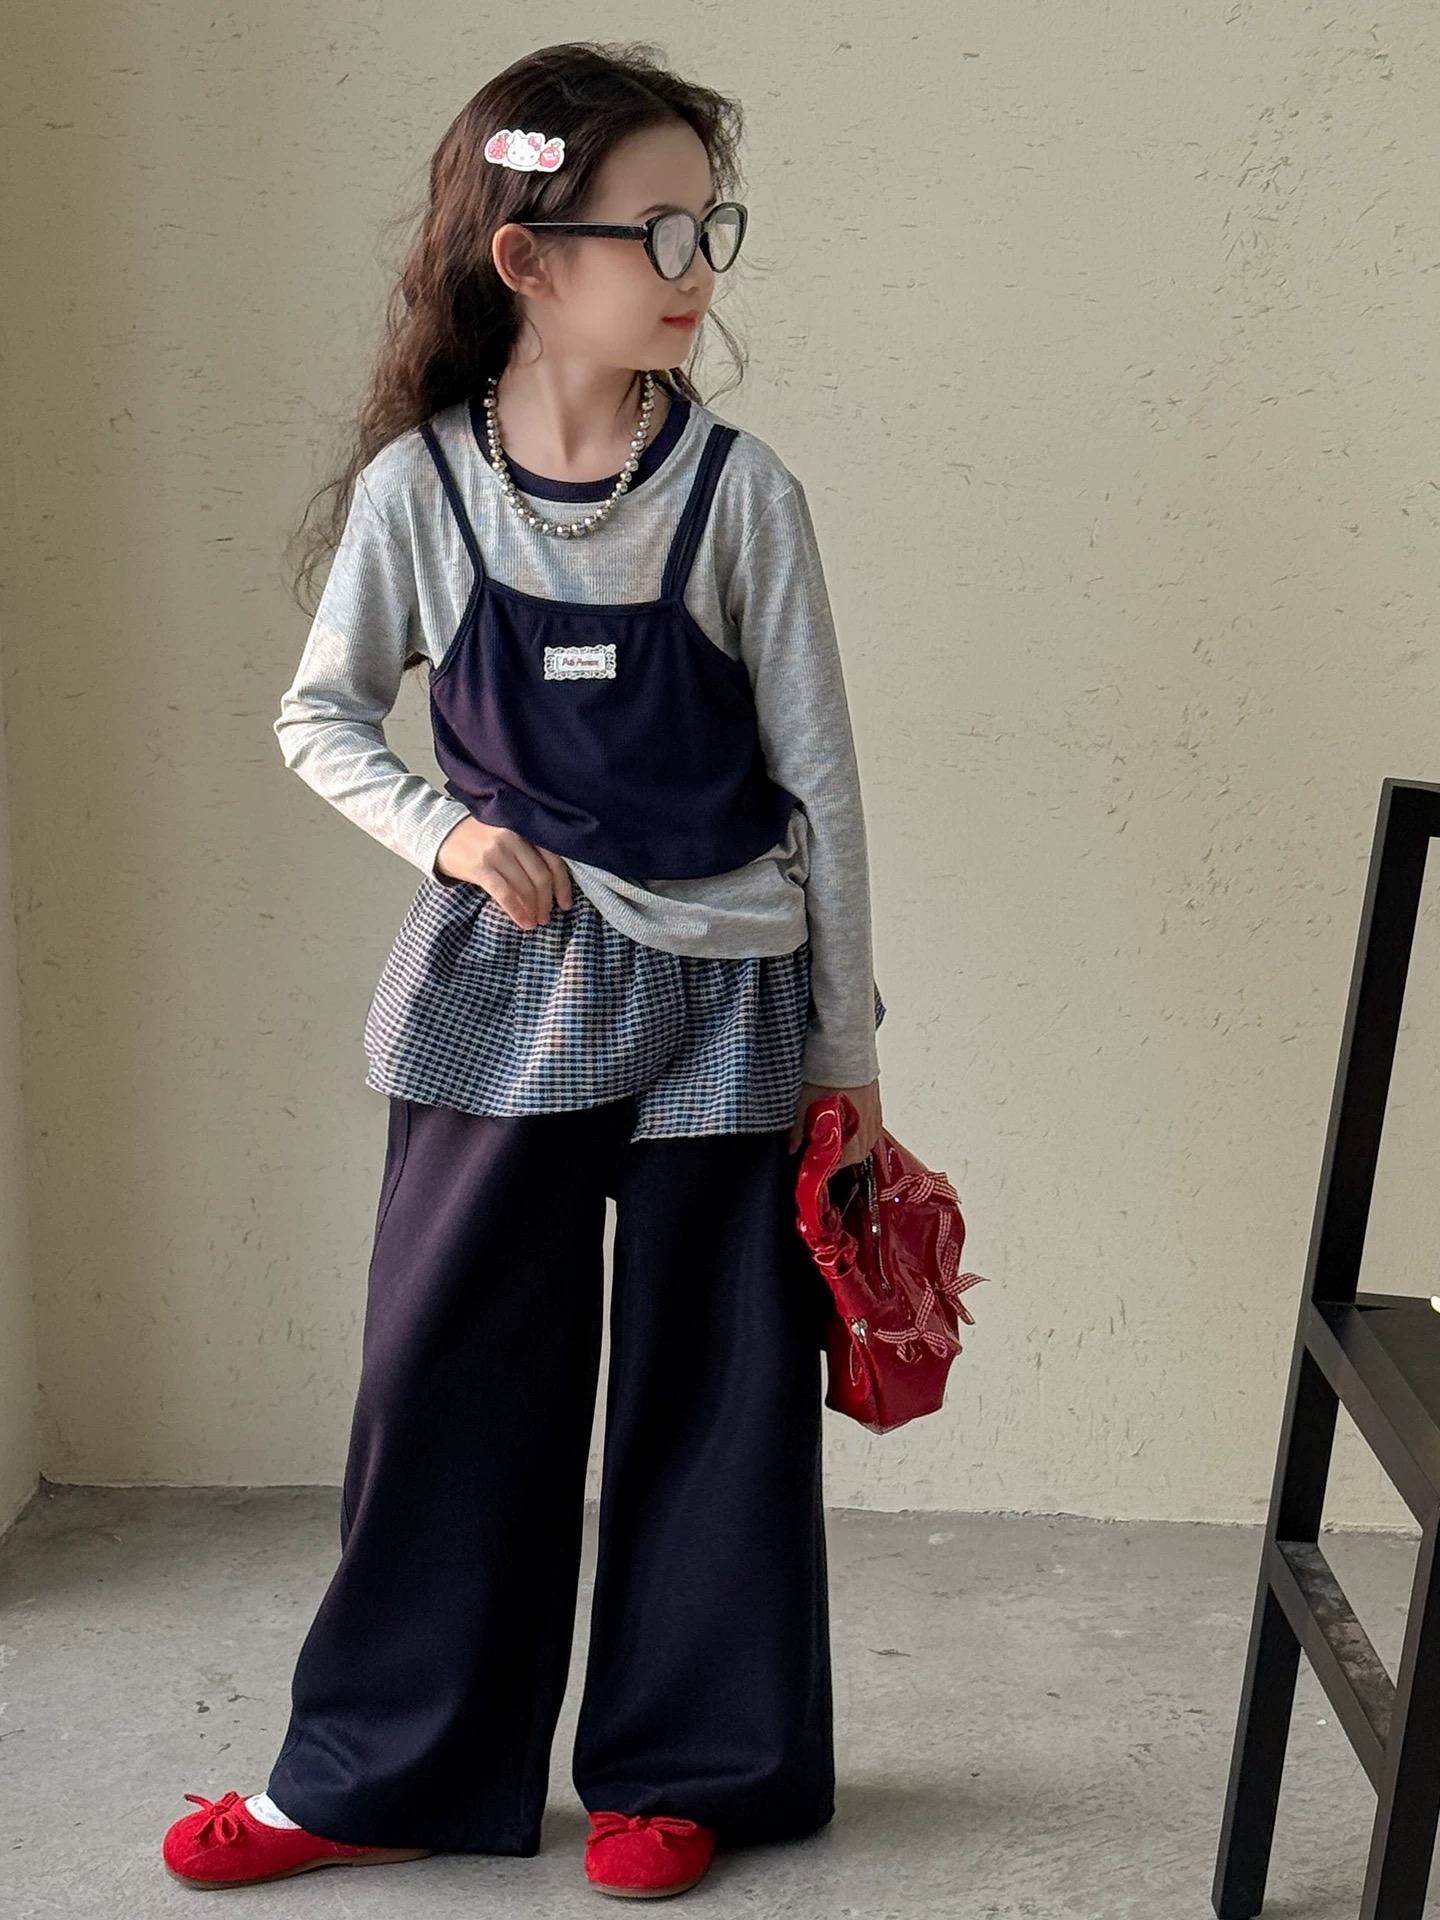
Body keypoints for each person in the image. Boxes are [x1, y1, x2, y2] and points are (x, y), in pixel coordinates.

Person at [161, 38, 886, 1901]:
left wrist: (847, 1056)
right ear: (529, 258)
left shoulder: (743, 497)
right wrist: (449, 836)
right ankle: (381, 1772)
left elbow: (823, 793)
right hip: (512, 989)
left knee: (714, 1396)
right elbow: (320, 719)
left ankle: (689, 1769)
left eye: (712, 224)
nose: (699, 264)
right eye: (661, 229)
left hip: (729, 994)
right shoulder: (423, 492)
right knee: (448, 1379)